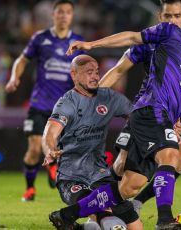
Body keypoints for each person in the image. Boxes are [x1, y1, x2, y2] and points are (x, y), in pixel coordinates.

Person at [55, 7, 181, 230]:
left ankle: (66, 215)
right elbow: (131, 37)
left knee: (129, 186)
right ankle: (164, 220)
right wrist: (92, 45)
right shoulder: (171, 33)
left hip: (164, 117)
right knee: (170, 155)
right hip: (150, 109)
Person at [99, 0, 181, 213]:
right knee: (121, 165)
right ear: (159, 17)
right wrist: (91, 96)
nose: (172, 20)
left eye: (176, 16)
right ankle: (99, 205)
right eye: (167, 16)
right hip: (151, 107)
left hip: (178, 112)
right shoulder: (151, 40)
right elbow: (118, 70)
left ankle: (137, 204)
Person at [42, 54, 142, 230]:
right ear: (74, 75)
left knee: (136, 226)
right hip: (71, 177)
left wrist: (170, 125)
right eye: (89, 72)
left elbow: (139, 116)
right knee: (104, 213)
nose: (96, 76)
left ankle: (72, 223)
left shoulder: (109, 98)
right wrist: (50, 149)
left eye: (96, 71)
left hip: (100, 174)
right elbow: (50, 133)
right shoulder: (67, 103)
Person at [5, 0, 84, 202]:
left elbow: (84, 72)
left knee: (59, 150)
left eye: (67, 12)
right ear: (53, 15)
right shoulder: (40, 39)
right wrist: (15, 77)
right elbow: (22, 60)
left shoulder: (78, 42)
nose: (63, 15)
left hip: (64, 108)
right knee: (33, 149)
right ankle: (30, 189)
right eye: (60, 12)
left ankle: (54, 167)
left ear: (72, 16)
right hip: (39, 104)